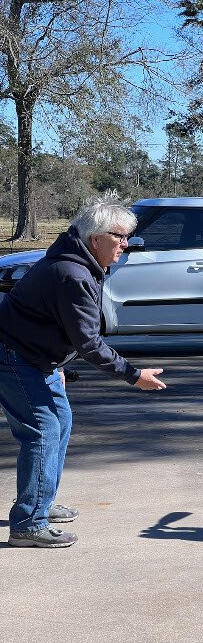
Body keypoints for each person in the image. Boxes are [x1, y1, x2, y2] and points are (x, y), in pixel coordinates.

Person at [0, 192, 166, 548]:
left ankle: (39, 500)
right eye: (119, 236)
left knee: (59, 424)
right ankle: (29, 523)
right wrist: (134, 375)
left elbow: (58, 324)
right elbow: (88, 342)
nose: (126, 243)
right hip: (15, 356)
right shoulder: (71, 272)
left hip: (33, 356)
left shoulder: (80, 262)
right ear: (96, 239)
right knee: (42, 433)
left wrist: (56, 363)